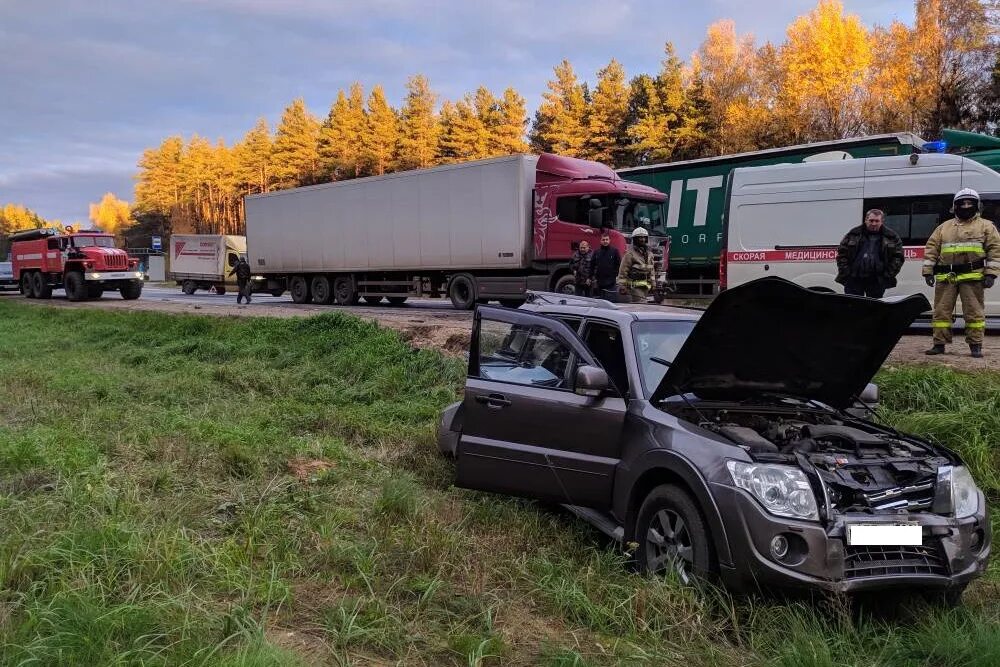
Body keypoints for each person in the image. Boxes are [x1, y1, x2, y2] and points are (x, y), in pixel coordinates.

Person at [923, 188, 1000, 358]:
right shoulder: (944, 227)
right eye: (962, 203)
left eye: (969, 203)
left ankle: (975, 346)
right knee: (941, 312)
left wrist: (991, 274)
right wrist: (928, 272)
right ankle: (939, 344)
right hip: (946, 277)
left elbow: (995, 251)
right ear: (955, 206)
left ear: (977, 205)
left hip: (973, 277)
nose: (966, 206)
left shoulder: (986, 226)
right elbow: (931, 249)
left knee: (974, 312)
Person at [835, 208, 905, 298]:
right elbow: (842, 254)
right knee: (852, 308)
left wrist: (887, 275)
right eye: (871, 220)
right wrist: (846, 272)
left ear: (882, 221)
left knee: (874, 309)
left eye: (877, 221)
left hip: (877, 280)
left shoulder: (891, 237)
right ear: (866, 220)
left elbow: (898, 257)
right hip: (854, 279)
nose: (874, 223)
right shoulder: (854, 234)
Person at [617, 226, 655, 303]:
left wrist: (653, 283)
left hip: (646, 286)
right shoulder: (630, 254)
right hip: (635, 287)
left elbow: (652, 270)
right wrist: (622, 285)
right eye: (640, 238)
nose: (642, 239)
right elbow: (623, 271)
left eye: (644, 237)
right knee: (641, 305)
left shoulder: (650, 254)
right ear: (635, 239)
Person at [593, 232, 622, 302]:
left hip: (611, 282)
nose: (605, 241)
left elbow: (619, 264)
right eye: (603, 240)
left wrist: (616, 275)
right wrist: (592, 277)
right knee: (600, 302)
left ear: (609, 240)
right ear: (600, 241)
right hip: (599, 282)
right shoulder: (597, 252)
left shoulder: (614, 251)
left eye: (606, 239)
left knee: (611, 301)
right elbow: (592, 265)